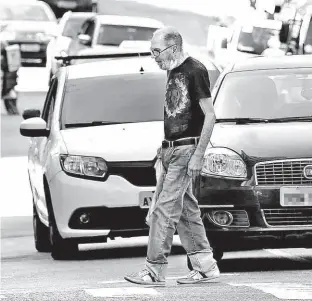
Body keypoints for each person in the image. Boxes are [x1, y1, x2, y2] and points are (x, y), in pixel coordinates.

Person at [124, 26, 220, 286]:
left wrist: (199, 154)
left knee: (163, 210)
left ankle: (154, 270)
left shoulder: (195, 70)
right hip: (171, 150)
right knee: (186, 209)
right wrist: (163, 149)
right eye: (151, 50)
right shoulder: (172, 69)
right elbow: (177, 115)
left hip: (186, 150)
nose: (154, 56)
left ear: (173, 47)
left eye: (157, 50)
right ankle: (205, 266)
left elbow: (210, 115)